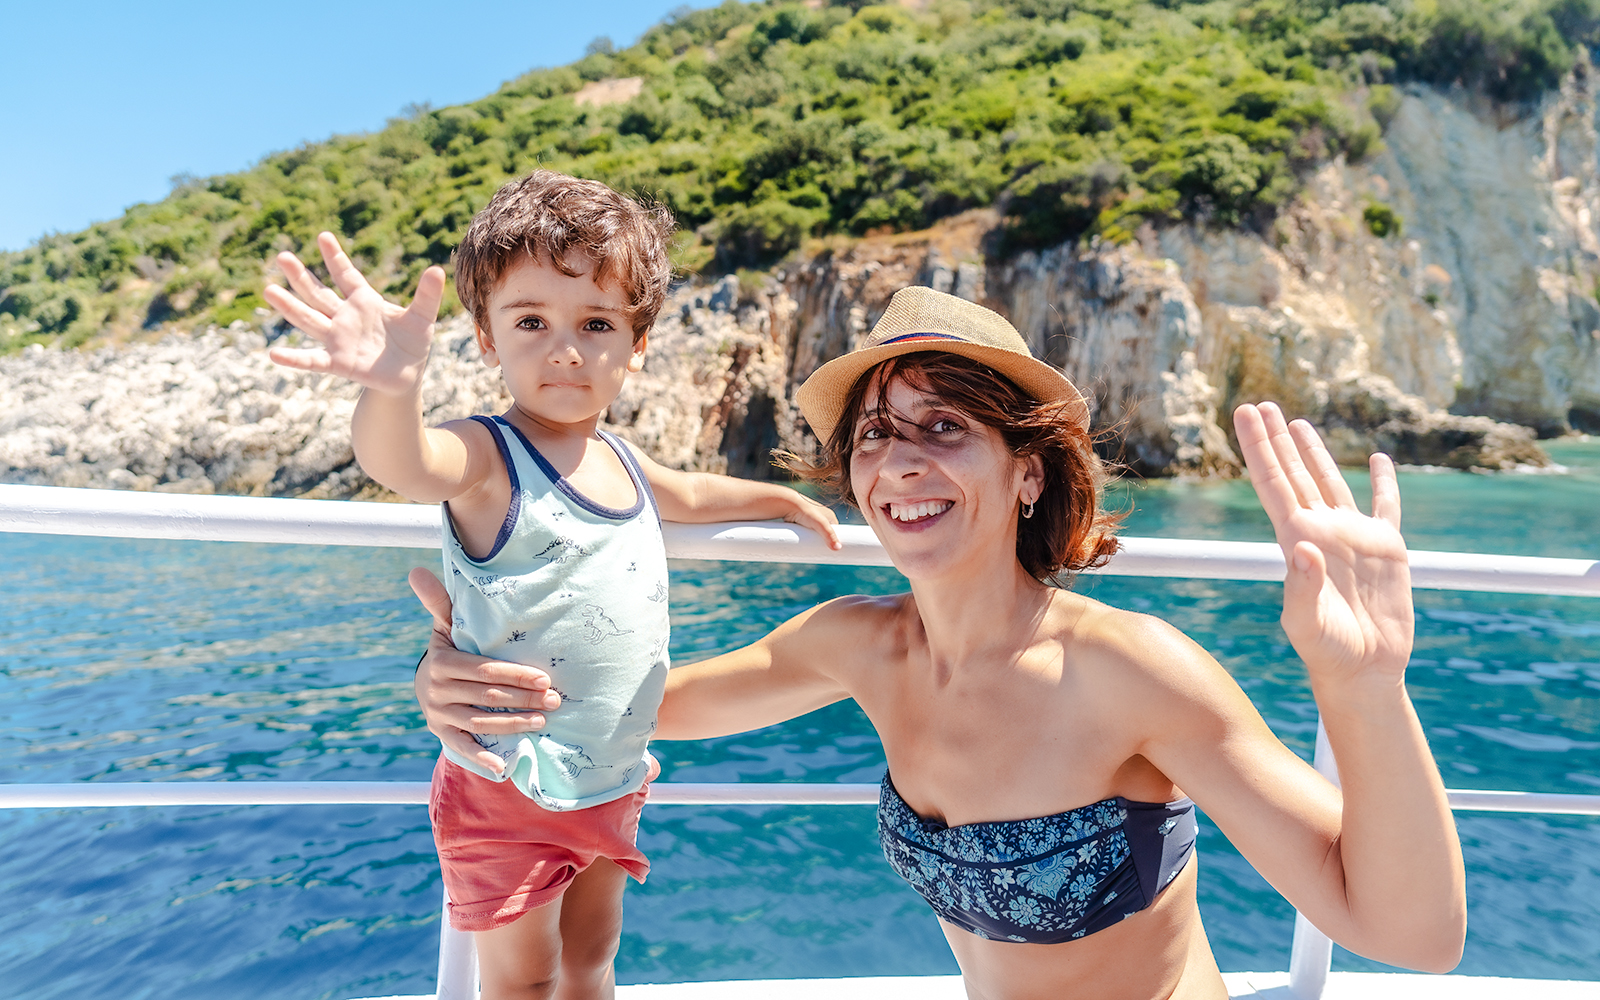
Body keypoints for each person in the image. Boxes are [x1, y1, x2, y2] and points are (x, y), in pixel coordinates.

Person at [410, 285, 1467, 999]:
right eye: (876, 432)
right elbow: (637, 707)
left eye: (945, 427)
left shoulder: (1126, 671)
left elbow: (1409, 932)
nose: (899, 461)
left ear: (1028, 472)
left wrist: (1364, 684)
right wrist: (459, 680)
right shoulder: (860, 646)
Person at [263, 169, 840, 1000]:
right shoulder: (489, 456)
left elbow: (693, 493)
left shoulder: (625, 461)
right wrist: (392, 389)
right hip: (507, 784)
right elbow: (407, 463)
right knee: (523, 981)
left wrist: (780, 498)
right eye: (531, 320)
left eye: (597, 322)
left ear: (637, 346)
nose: (565, 348)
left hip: (612, 777)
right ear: (488, 339)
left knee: (591, 961)